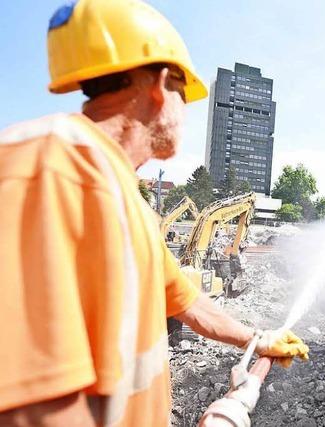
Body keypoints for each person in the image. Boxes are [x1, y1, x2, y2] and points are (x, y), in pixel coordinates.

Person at [0, 1, 308, 426]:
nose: (185, 113)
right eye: (186, 96)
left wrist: (257, 338)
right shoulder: (49, 170)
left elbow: (184, 299)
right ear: (161, 86)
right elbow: (31, 410)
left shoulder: (127, 200)